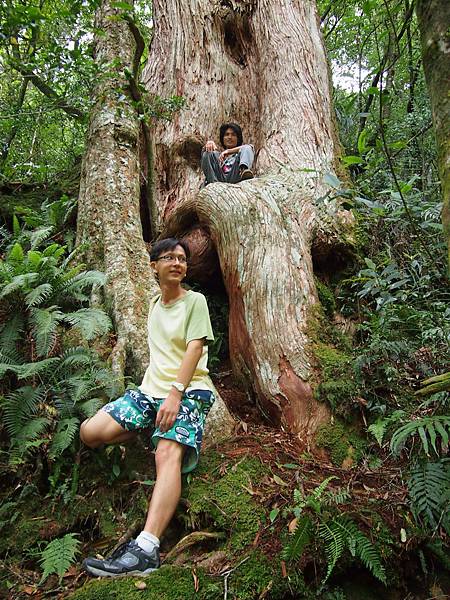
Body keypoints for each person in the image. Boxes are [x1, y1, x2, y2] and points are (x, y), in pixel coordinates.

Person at [80, 238, 215, 577]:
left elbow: (194, 349)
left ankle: (146, 549)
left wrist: (175, 394)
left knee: (167, 453)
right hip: (149, 392)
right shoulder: (154, 303)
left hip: (189, 393)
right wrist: (157, 395)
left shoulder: (195, 301)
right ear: (153, 266)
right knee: (90, 432)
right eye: (169, 257)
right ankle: (147, 426)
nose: (177, 263)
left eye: (182, 258)